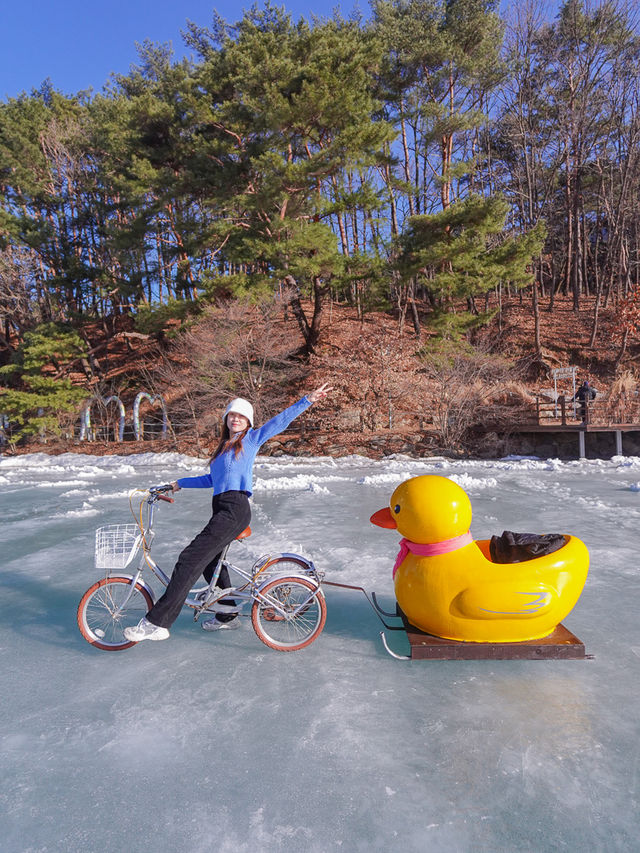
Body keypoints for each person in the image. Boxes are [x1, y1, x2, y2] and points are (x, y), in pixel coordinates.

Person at [124, 383, 333, 642]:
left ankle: (157, 622)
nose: (236, 419)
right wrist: (178, 483)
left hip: (235, 508)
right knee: (211, 561)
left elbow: (279, 422)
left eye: (241, 416)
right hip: (222, 507)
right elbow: (210, 480)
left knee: (189, 559)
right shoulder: (224, 447)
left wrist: (307, 400)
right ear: (226, 419)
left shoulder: (251, 439)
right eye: (232, 415)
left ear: (248, 421)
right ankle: (228, 615)